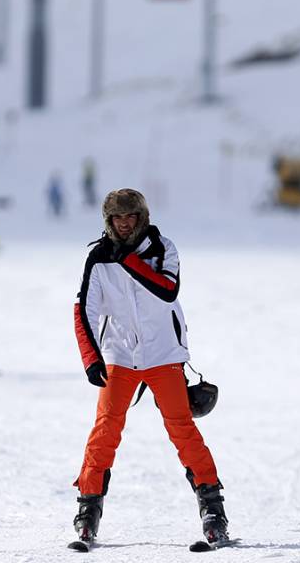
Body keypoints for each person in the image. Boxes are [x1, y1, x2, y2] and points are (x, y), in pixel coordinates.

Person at [70, 189, 228, 548]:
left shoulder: (162, 249)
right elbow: (84, 311)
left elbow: (167, 290)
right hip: (120, 356)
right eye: (117, 219)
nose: (124, 225)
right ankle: (87, 509)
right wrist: (91, 357)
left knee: (181, 429)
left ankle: (213, 508)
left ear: (142, 218)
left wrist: (129, 260)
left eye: (131, 218)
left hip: (162, 355)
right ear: (107, 221)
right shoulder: (98, 258)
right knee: (105, 431)